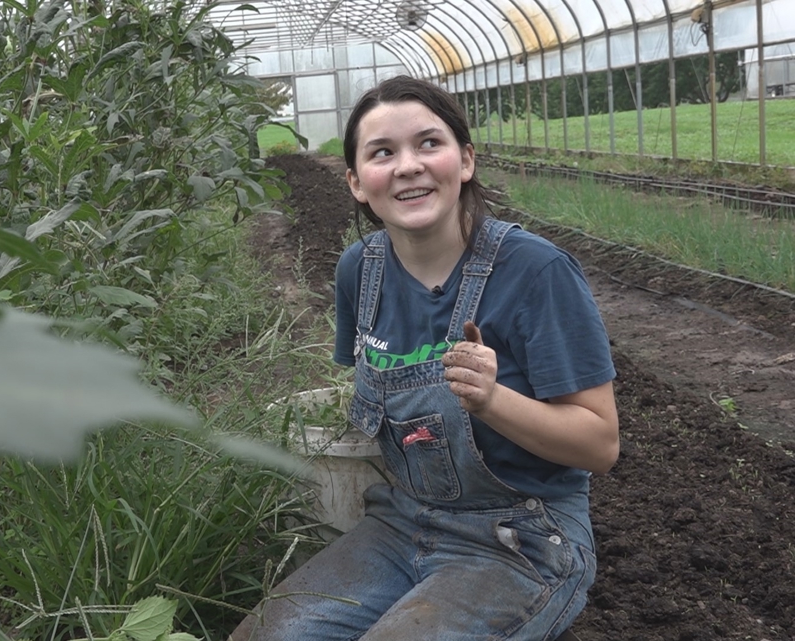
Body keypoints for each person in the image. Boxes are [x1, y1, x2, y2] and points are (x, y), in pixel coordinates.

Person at [230, 76, 620, 640]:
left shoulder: (536, 273)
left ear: (465, 161)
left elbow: (600, 446)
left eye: (428, 144)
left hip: (521, 538)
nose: (407, 165)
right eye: (382, 153)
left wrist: (492, 400)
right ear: (357, 183)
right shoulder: (359, 272)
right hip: (401, 522)